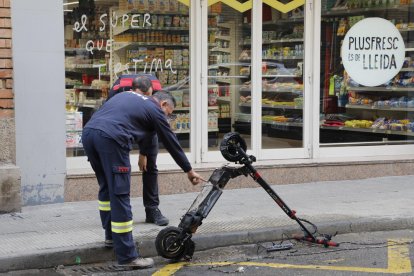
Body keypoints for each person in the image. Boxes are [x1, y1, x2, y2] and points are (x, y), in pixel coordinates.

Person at [81, 90, 203, 268]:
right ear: (163, 104)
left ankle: (111, 237)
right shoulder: (154, 110)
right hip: (112, 138)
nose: (167, 119)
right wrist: (189, 170)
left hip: (89, 134)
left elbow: (145, 131)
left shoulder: (129, 96)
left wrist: (143, 153)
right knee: (120, 194)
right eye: (169, 114)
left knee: (107, 188)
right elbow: (169, 140)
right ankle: (128, 257)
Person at [108, 75, 169, 226]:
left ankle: (152, 209)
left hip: (147, 126)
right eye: (143, 96)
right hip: (122, 126)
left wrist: (144, 153)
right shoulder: (118, 92)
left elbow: (154, 124)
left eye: (149, 96)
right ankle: (118, 210)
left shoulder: (155, 94)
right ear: (132, 90)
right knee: (119, 168)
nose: (146, 100)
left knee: (150, 167)